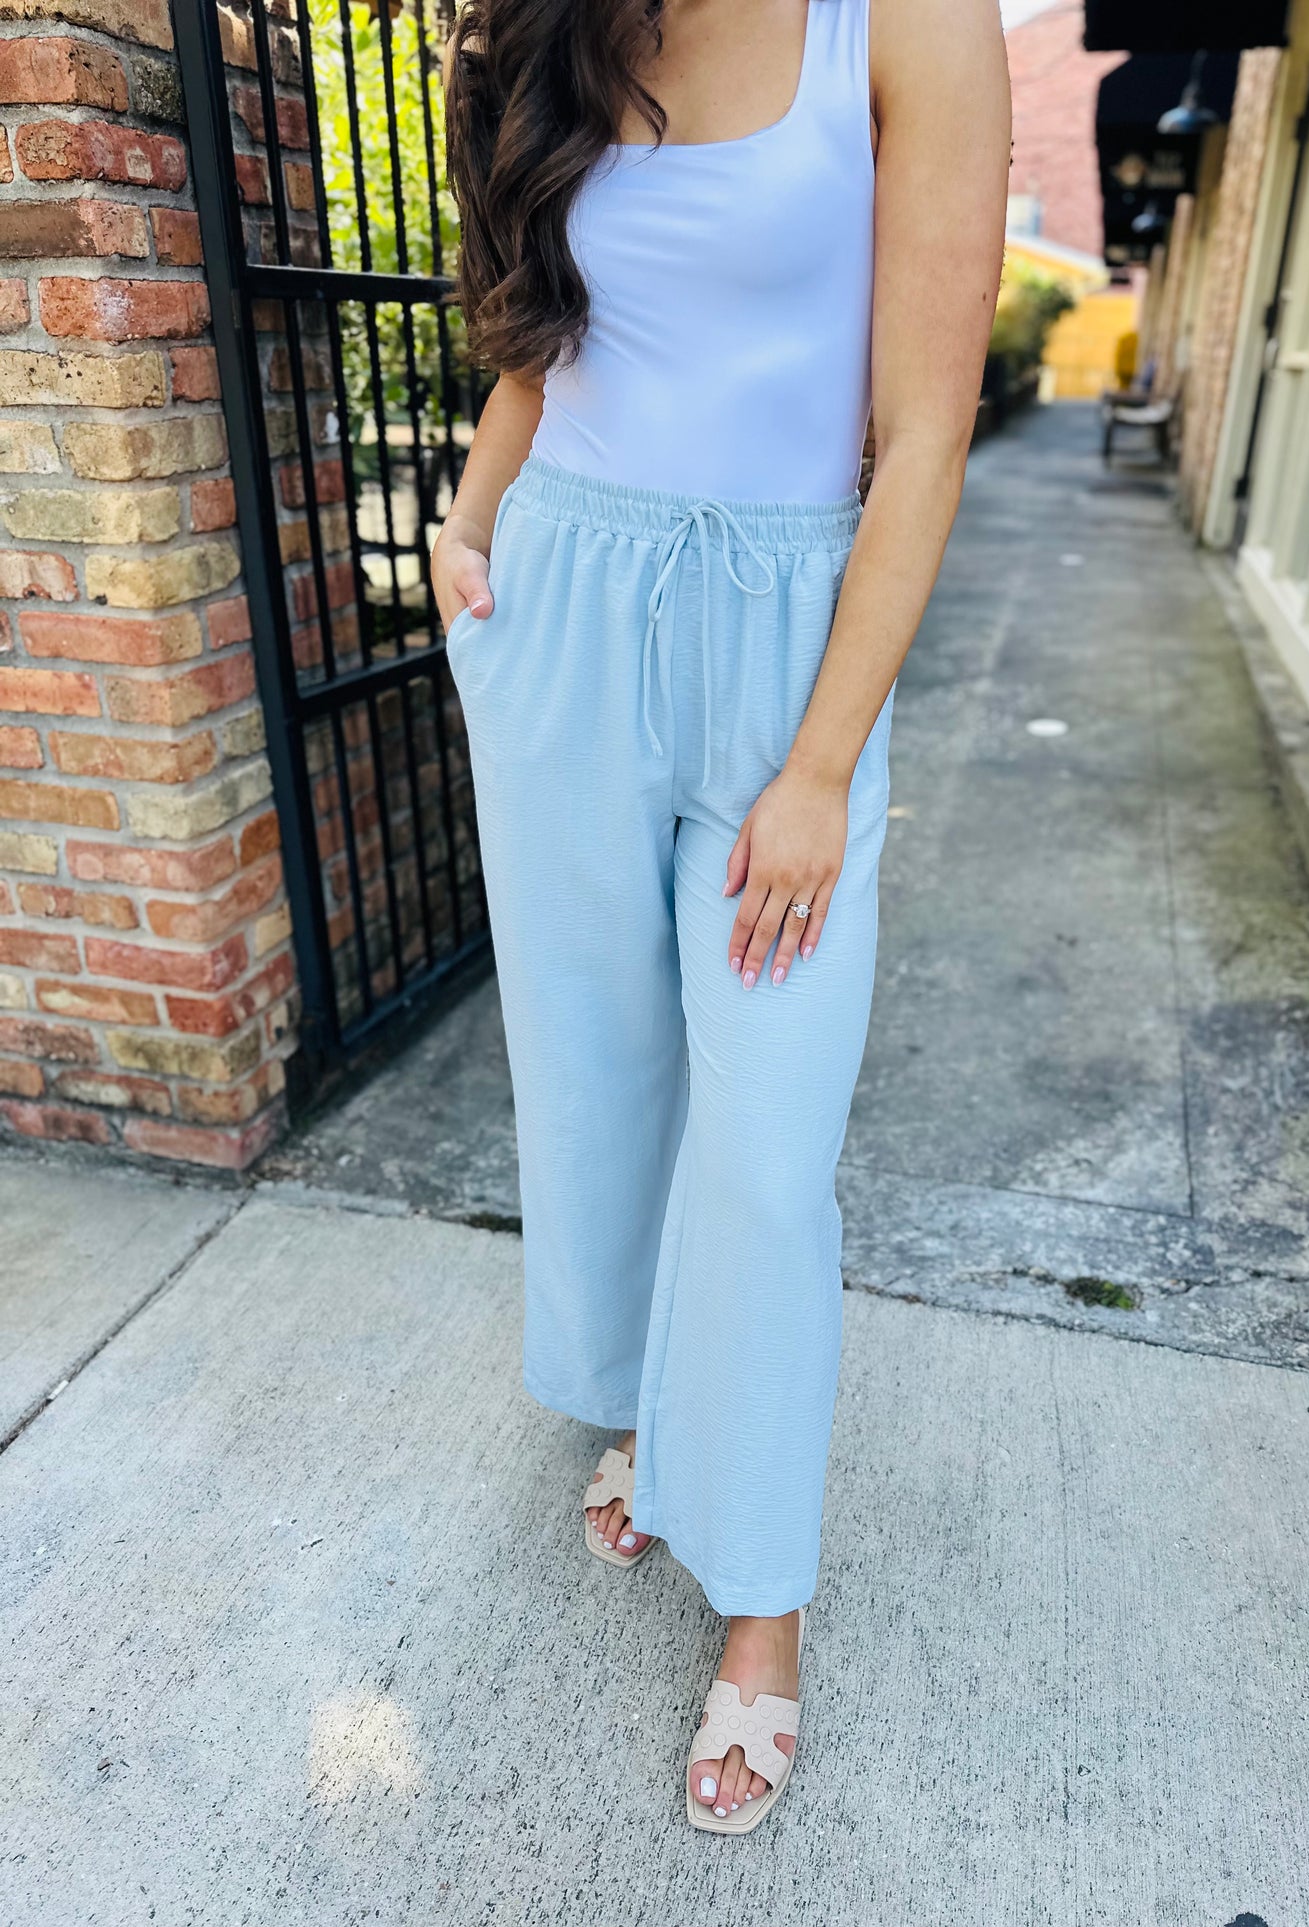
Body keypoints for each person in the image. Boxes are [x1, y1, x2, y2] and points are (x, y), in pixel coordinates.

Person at [433, 0, 1009, 1833]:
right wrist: (466, 530)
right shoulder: (561, 24)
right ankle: (644, 1415)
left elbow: (925, 432)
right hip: (565, 610)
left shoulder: (905, 25)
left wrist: (822, 764)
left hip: (786, 648)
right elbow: (544, 350)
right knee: (602, 1082)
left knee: (765, 1147)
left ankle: (760, 1607)